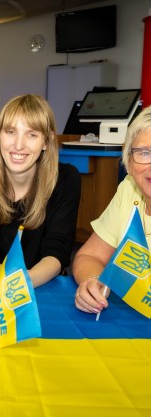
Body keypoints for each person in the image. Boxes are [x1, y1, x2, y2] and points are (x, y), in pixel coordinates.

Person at [0, 94, 81, 287]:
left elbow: (57, 253)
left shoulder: (65, 180)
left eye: (32, 134)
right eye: (10, 131)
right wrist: (19, 277)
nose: (18, 145)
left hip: (44, 289)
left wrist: (27, 281)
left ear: (46, 141)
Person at [73, 105, 151, 315]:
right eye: (145, 153)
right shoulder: (129, 190)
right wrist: (93, 281)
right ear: (129, 160)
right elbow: (89, 256)